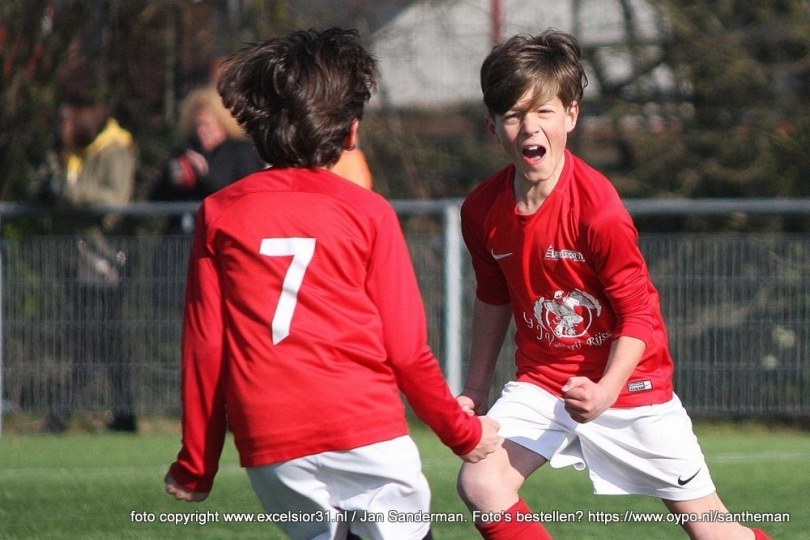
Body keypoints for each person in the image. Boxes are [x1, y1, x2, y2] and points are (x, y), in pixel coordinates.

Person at [164, 28, 501, 540]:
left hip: (271, 440)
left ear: (256, 131)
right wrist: (463, 433)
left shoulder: (220, 212)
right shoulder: (369, 212)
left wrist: (197, 462)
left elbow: (206, 348)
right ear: (351, 132)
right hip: (365, 430)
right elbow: (407, 352)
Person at [455, 30, 771, 540]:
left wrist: (606, 390)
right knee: (482, 482)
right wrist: (474, 388)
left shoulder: (598, 209)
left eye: (545, 112)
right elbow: (493, 298)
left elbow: (639, 314)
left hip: (631, 386)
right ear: (493, 127)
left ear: (572, 116)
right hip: (544, 382)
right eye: (513, 115)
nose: (529, 127)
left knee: (713, 531)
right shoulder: (481, 210)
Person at [39, 57, 139, 433]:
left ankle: (59, 416)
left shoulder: (116, 149)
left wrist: (68, 191)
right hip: (75, 258)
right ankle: (125, 414)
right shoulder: (70, 154)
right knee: (104, 340)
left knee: (91, 339)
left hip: (103, 261)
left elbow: (114, 201)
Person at [150, 86, 264, 234]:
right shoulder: (186, 151)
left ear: (223, 123)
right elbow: (156, 198)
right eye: (197, 125)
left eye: (207, 125)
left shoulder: (241, 152)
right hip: (182, 236)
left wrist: (204, 175)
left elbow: (241, 194)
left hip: (223, 232)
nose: (201, 131)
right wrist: (170, 179)